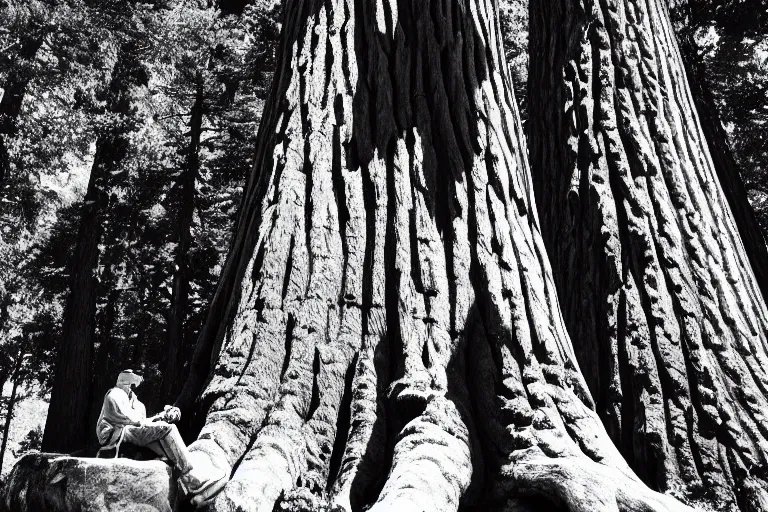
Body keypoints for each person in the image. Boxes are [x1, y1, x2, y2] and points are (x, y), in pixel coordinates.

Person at [96, 369, 226, 500]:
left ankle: (182, 477)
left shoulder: (135, 401)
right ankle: (191, 478)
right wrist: (159, 419)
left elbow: (141, 422)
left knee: (160, 435)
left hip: (127, 430)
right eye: (136, 378)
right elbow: (133, 420)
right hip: (117, 432)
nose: (140, 381)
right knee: (168, 429)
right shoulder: (114, 395)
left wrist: (162, 417)